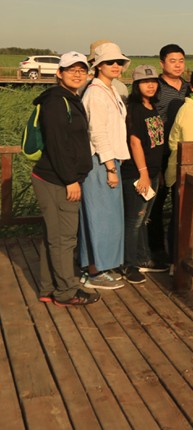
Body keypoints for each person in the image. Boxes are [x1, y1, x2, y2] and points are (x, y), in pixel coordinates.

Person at [32, 51, 100, 306]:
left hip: (56, 177)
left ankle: (48, 288)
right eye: (71, 69)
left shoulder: (67, 98)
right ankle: (66, 292)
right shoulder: (56, 102)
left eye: (82, 70)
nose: (77, 74)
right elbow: (57, 145)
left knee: (54, 235)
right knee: (64, 238)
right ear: (59, 73)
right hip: (57, 180)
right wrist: (70, 180)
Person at [78, 42, 130, 289]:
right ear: (99, 65)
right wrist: (110, 167)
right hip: (100, 161)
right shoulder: (95, 93)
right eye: (110, 62)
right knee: (99, 217)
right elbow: (97, 132)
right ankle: (94, 271)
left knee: (107, 217)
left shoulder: (109, 89)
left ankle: (99, 266)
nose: (116, 66)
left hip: (109, 160)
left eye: (119, 62)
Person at [122, 65, 168, 281]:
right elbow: (135, 142)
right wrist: (143, 173)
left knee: (143, 219)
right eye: (144, 82)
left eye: (153, 82)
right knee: (134, 220)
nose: (150, 85)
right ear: (136, 85)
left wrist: (156, 172)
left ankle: (142, 258)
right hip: (137, 173)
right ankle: (128, 264)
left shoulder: (152, 106)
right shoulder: (135, 109)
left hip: (152, 172)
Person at [149, 43, 189, 264]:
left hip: (186, 153)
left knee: (181, 203)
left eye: (181, 61)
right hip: (162, 152)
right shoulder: (156, 88)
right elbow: (152, 121)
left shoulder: (188, 87)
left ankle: (178, 250)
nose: (177, 65)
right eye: (172, 61)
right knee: (157, 202)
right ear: (162, 63)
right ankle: (156, 250)